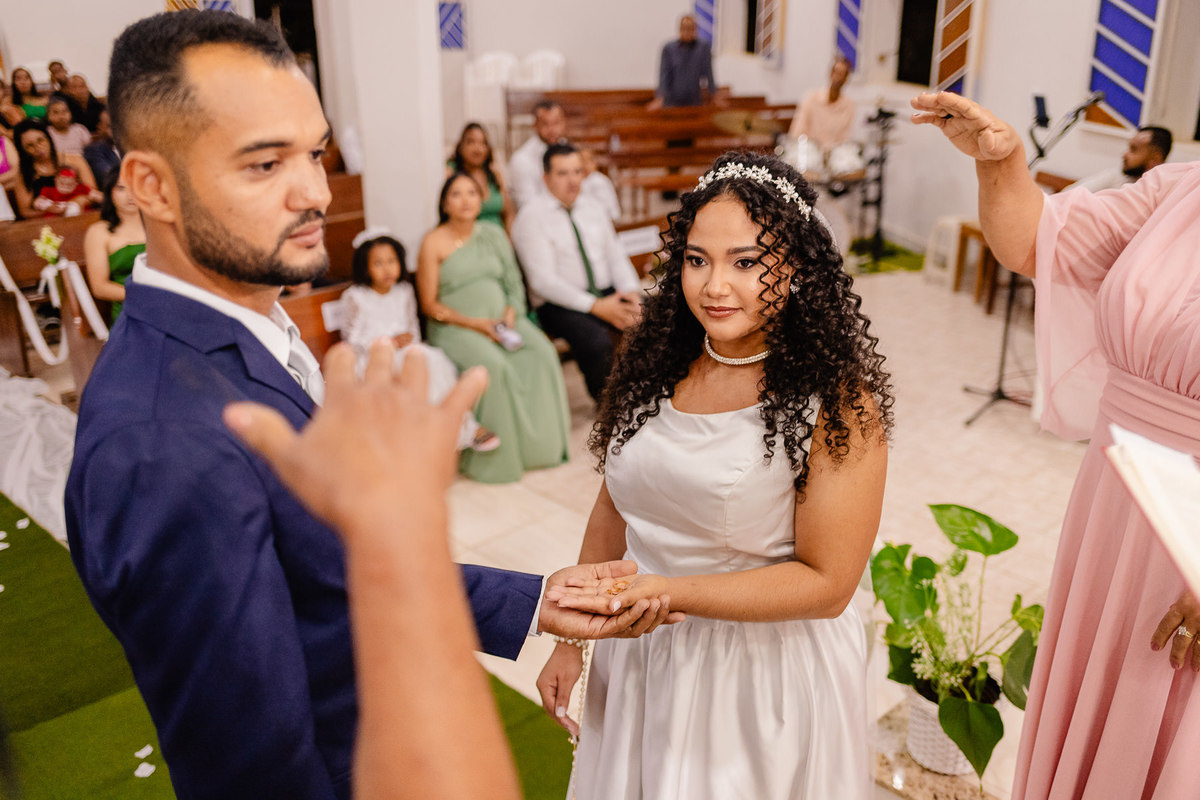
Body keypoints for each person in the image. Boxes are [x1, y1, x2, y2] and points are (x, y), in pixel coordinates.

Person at [65, 12, 676, 800]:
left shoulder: (250, 334)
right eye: (264, 164)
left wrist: (532, 602)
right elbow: (255, 771)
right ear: (151, 185)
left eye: (315, 152)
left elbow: (320, 576)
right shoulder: (157, 444)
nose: (315, 191)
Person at [537, 151, 893, 798]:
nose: (714, 286)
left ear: (797, 270)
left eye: (746, 262)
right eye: (697, 260)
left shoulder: (837, 401)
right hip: (642, 650)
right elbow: (615, 503)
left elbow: (829, 584)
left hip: (757, 676)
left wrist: (667, 593)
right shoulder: (655, 365)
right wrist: (573, 644)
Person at [913, 91, 1200, 800]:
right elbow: (1038, 238)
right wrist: (1002, 161)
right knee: (1090, 703)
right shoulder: (1181, 190)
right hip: (1114, 505)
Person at [417, 171, 571, 483]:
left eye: (472, 193)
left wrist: (512, 313)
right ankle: (497, 462)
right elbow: (430, 305)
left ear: (481, 199)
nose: (465, 200)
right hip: (456, 326)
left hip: (502, 320)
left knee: (542, 352)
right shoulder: (433, 242)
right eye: (456, 194)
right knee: (493, 367)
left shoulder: (493, 233)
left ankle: (541, 449)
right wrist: (476, 324)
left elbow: (513, 281)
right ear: (445, 204)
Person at [343, 228, 498, 452]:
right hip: (373, 359)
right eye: (378, 263)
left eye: (392, 261)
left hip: (408, 352)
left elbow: (412, 327)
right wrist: (388, 342)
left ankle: (462, 426)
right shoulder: (355, 297)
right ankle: (443, 432)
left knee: (436, 364)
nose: (387, 268)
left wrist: (408, 340)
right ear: (364, 267)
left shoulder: (404, 290)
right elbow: (352, 339)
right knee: (418, 370)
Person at [511, 143, 643, 403]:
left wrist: (631, 293)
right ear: (545, 177)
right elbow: (542, 281)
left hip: (604, 289)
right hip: (559, 303)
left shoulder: (592, 207)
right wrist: (595, 306)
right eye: (562, 174)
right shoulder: (531, 217)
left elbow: (615, 253)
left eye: (577, 172)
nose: (572, 181)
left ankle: (645, 393)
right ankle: (608, 405)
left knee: (654, 318)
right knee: (596, 342)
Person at [83, 169, 144, 323]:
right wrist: (146, 297)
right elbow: (100, 287)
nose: (129, 195)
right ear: (110, 193)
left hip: (170, 302)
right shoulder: (99, 231)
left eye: (134, 187)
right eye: (121, 188)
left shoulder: (159, 225)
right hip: (130, 309)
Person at [11, 118, 95, 219]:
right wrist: (50, 211)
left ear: (48, 138)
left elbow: (92, 192)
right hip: (46, 222)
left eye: (40, 140)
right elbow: (25, 211)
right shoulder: (24, 173)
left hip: (81, 215)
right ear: (23, 150)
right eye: (30, 145)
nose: (38, 148)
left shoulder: (74, 160)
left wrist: (76, 202)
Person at [1072, 125, 1173, 193]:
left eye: (1134, 149)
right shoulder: (1114, 178)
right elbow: (1065, 198)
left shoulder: (1164, 192)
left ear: (1155, 159)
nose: (1124, 154)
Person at [450, 122, 513, 229]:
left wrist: (508, 240)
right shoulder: (452, 174)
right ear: (461, 146)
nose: (477, 148)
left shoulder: (494, 174)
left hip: (499, 239)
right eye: (471, 142)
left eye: (483, 143)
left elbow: (509, 213)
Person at [789, 56, 856, 152]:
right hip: (809, 153)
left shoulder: (849, 106)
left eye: (842, 74)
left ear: (846, 79)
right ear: (830, 74)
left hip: (834, 156)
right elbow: (798, 132)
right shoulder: (811, 98)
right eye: (836, 72)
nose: (838, 78)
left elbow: (844, 138)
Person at [647, 15, 715, 110]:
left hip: (694, 101)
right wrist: (659, 98)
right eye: (685, 28)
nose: (687, 32)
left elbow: (709, 72)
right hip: (672, 101)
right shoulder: (669, 49)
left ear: (696, 30)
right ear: (680, 29)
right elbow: (664, 75)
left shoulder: (703, 48)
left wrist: (714, 94)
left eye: (691, 28)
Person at [508, 100, 566, 209]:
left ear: (563, 123)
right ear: (535, 125)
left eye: (556, 123)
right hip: (537, 217)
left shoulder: (569, 152)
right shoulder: (521, 159)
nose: (552, 130)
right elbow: (527, 203)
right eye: (545, 124)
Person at [33, 165, 100, 216]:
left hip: (80, 221)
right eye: (62, 183)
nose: (65, 187)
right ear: (55, 180)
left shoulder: (82, 189)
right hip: (56, 223)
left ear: (76, 183)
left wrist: (94, 197)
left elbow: (98, 196)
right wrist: (47, 206)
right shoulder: (48, 191)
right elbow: (37, 203)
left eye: (69, 185)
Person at [83, 109, 121, 186]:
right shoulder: (94, 150)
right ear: (100, 127)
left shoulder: (129, 146)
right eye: (110, 126)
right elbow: (109, 177)